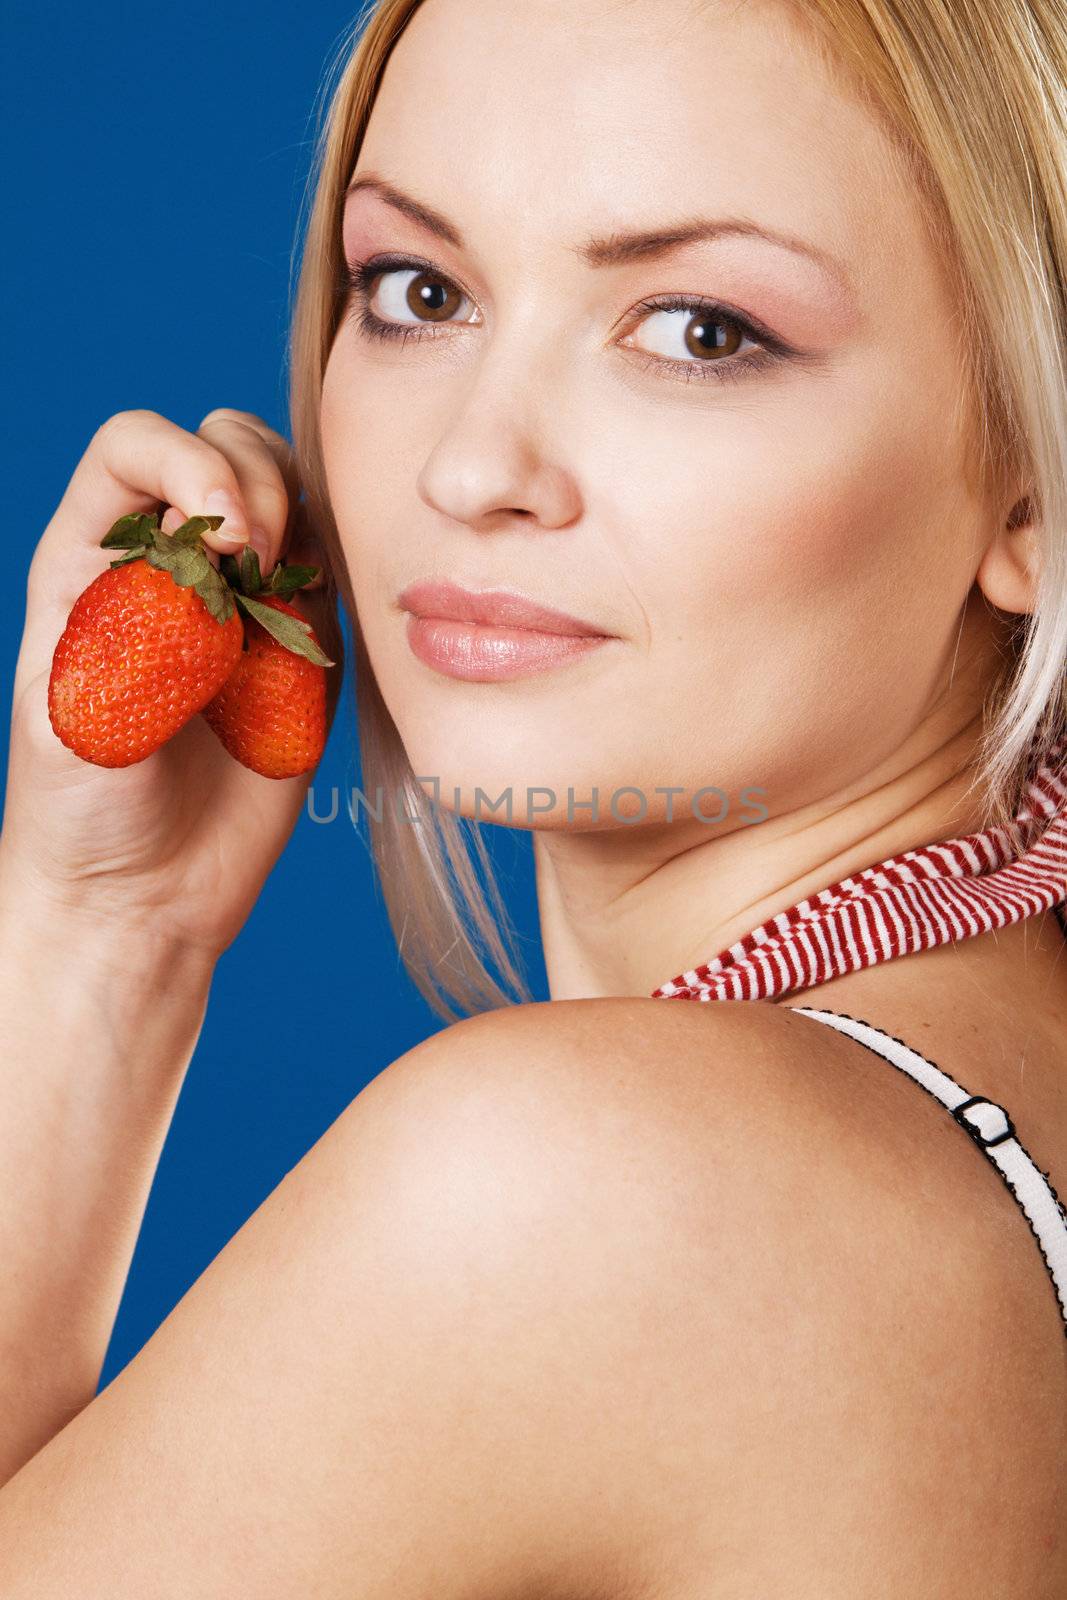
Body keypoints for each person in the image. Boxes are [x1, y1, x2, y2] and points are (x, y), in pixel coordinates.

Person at [0, 0, 1064, 1589]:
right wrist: (117, 908)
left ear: (1035, 488)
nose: (469, 467)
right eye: (419, 292)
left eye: (702, 329)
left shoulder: (590, 1188)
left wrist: (92, 947)